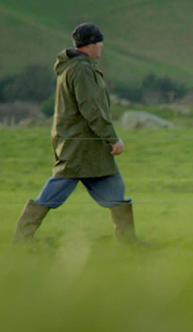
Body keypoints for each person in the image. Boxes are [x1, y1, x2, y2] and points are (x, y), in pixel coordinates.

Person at [13, 22, 150, 247]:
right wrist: (112, 138)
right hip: (79, 147)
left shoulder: (77, 67)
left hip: (88, 147)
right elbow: (91, 108)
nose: (102, 46)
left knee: (115, 187)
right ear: (89, 45)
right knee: (55, 190)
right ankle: (22, 238)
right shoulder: (82, 69)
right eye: (99, 42)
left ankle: (128, 242)